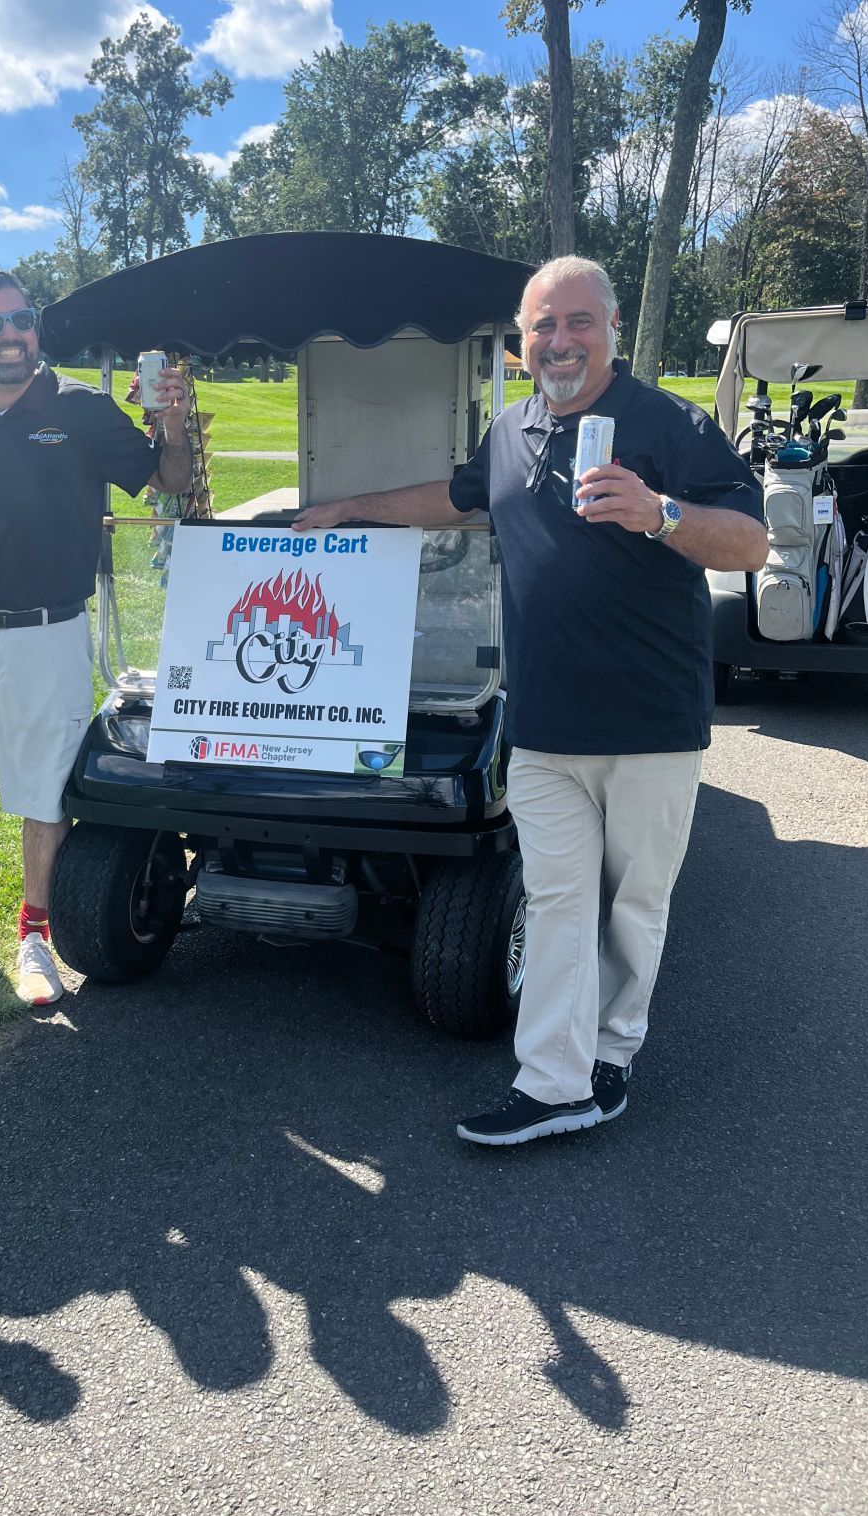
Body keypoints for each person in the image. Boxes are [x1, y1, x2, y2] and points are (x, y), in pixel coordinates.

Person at [295, 256, 768, 1146]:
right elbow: (459, 499)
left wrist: (659, 513)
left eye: (579, 322)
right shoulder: (513, 429)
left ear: (612, 330)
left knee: (633, 902)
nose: (560, 341)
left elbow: (749, 543)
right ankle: (553, 1082)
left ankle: (610, 1058)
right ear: (520, 344)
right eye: (543, 326)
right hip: (544, 721)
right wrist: (350, 507)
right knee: (556, 899)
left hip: (651, 724)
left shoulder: (669, 423)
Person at [0, 270, 192, 1003]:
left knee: (43, 792)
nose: (11, 335)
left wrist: (172, 418)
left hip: (50, 630)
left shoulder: (83, 409)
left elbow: (166, 481)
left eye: (22, 319)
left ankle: (35, 933)